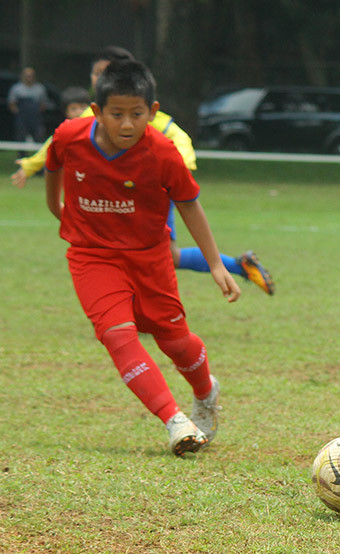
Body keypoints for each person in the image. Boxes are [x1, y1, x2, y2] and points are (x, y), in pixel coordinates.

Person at [44, 58, 240, 456]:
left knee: (176, 341)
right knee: (118, 335)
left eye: (136, 114)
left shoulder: (163, 154)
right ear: (97, 112)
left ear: (153, 112)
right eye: (117, 114)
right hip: (92, 256)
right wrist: (58, 210)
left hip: (149, 260)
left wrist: (216, 263)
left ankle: (205, 392)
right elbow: (52, 167)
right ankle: (174, 421)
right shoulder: (69, 136)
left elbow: (189, 205)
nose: (127, 124)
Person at [11, 47, 275, 296]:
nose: (98, 78)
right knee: (155, 254)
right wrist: (30, 164)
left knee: (154, 254)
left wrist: (181, 167)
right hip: (118, 196)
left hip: (151, 195)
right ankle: (237, 265)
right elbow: (57, 143)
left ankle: (153, 305)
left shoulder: (147, 115)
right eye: (96, 73)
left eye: (104, 73)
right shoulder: (95, 120)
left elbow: (178, 137)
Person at [6, 67, 50, 152]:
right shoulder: (17, 88)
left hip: (36, 118)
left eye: (31, 76)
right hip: (22, 118)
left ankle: (40, 161)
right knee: (20, 138)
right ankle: (21, 159)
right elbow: (11, 102)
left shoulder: (40, 88)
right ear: (23, 76)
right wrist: (17, 111)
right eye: (27, 76)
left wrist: (38, 111)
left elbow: (44, 103)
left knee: (39, 139)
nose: (29, 77)